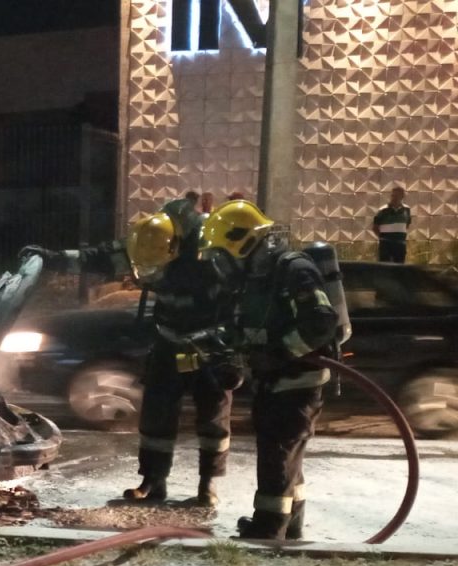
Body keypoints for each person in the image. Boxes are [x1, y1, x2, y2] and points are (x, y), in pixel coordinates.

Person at [31, 205, 239, 507]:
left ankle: (208, 485)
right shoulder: (151, 238)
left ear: (175, 247)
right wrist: (52, 258)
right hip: (168, 342)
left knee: (213, 420)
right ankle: (153, 482)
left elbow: (241, 299)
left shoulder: (213, 255)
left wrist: (231, 348)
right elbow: (99, 258)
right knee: (155, 416)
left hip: (209, 347)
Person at [200, 200, 340, 540]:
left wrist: (278, 355)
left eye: (222, 253)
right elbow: (246, 327)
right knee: (287, 455)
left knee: (277, 453)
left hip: (297, 381)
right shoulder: (253, 277)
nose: (220, 263)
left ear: (243, 242)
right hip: (273, 381)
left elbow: (321, 323)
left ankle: (267, 529)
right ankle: (289, 525)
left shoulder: (293, 270)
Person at [372, 186, 410, 264]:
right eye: (392, 195)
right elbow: (375, 227)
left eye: (396, 196)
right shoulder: (383, 210)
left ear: (402, 196)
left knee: (399, 266)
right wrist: (383, 238)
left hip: (400, 244)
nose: (394, 198)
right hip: (386, 244)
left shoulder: (407, 209)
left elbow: (407, 224)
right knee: (384, 265)